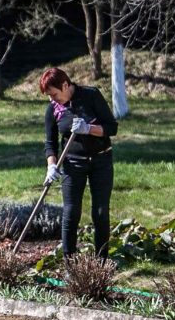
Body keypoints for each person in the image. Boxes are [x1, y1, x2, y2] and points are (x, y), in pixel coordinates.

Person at [39, 68, 118, 259]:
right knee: (71, 212)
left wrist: (88, 128)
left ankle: (101, 262)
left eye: (54, 94)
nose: (52, 99)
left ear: (65, 85)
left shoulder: (91, 95)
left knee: (100, 212)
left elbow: (111, 128)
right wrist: (51, 165)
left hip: (101, 160)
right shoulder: (54, 109)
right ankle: (69, 263)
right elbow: (50, 144)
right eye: (49, 96)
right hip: (73, 165)